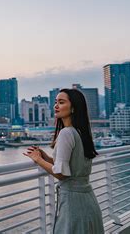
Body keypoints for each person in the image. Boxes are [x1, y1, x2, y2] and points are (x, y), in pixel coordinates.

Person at [23, 88, 104, 233]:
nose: (56, 106)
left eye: (61, 102)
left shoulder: (66, 133)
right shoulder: (80, 132)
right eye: (55, 102)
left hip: (73, 204)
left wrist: (38, 160)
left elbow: (61, 174)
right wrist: (46, 158)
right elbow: (70, 164)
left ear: (73, 108)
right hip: (88, 200)